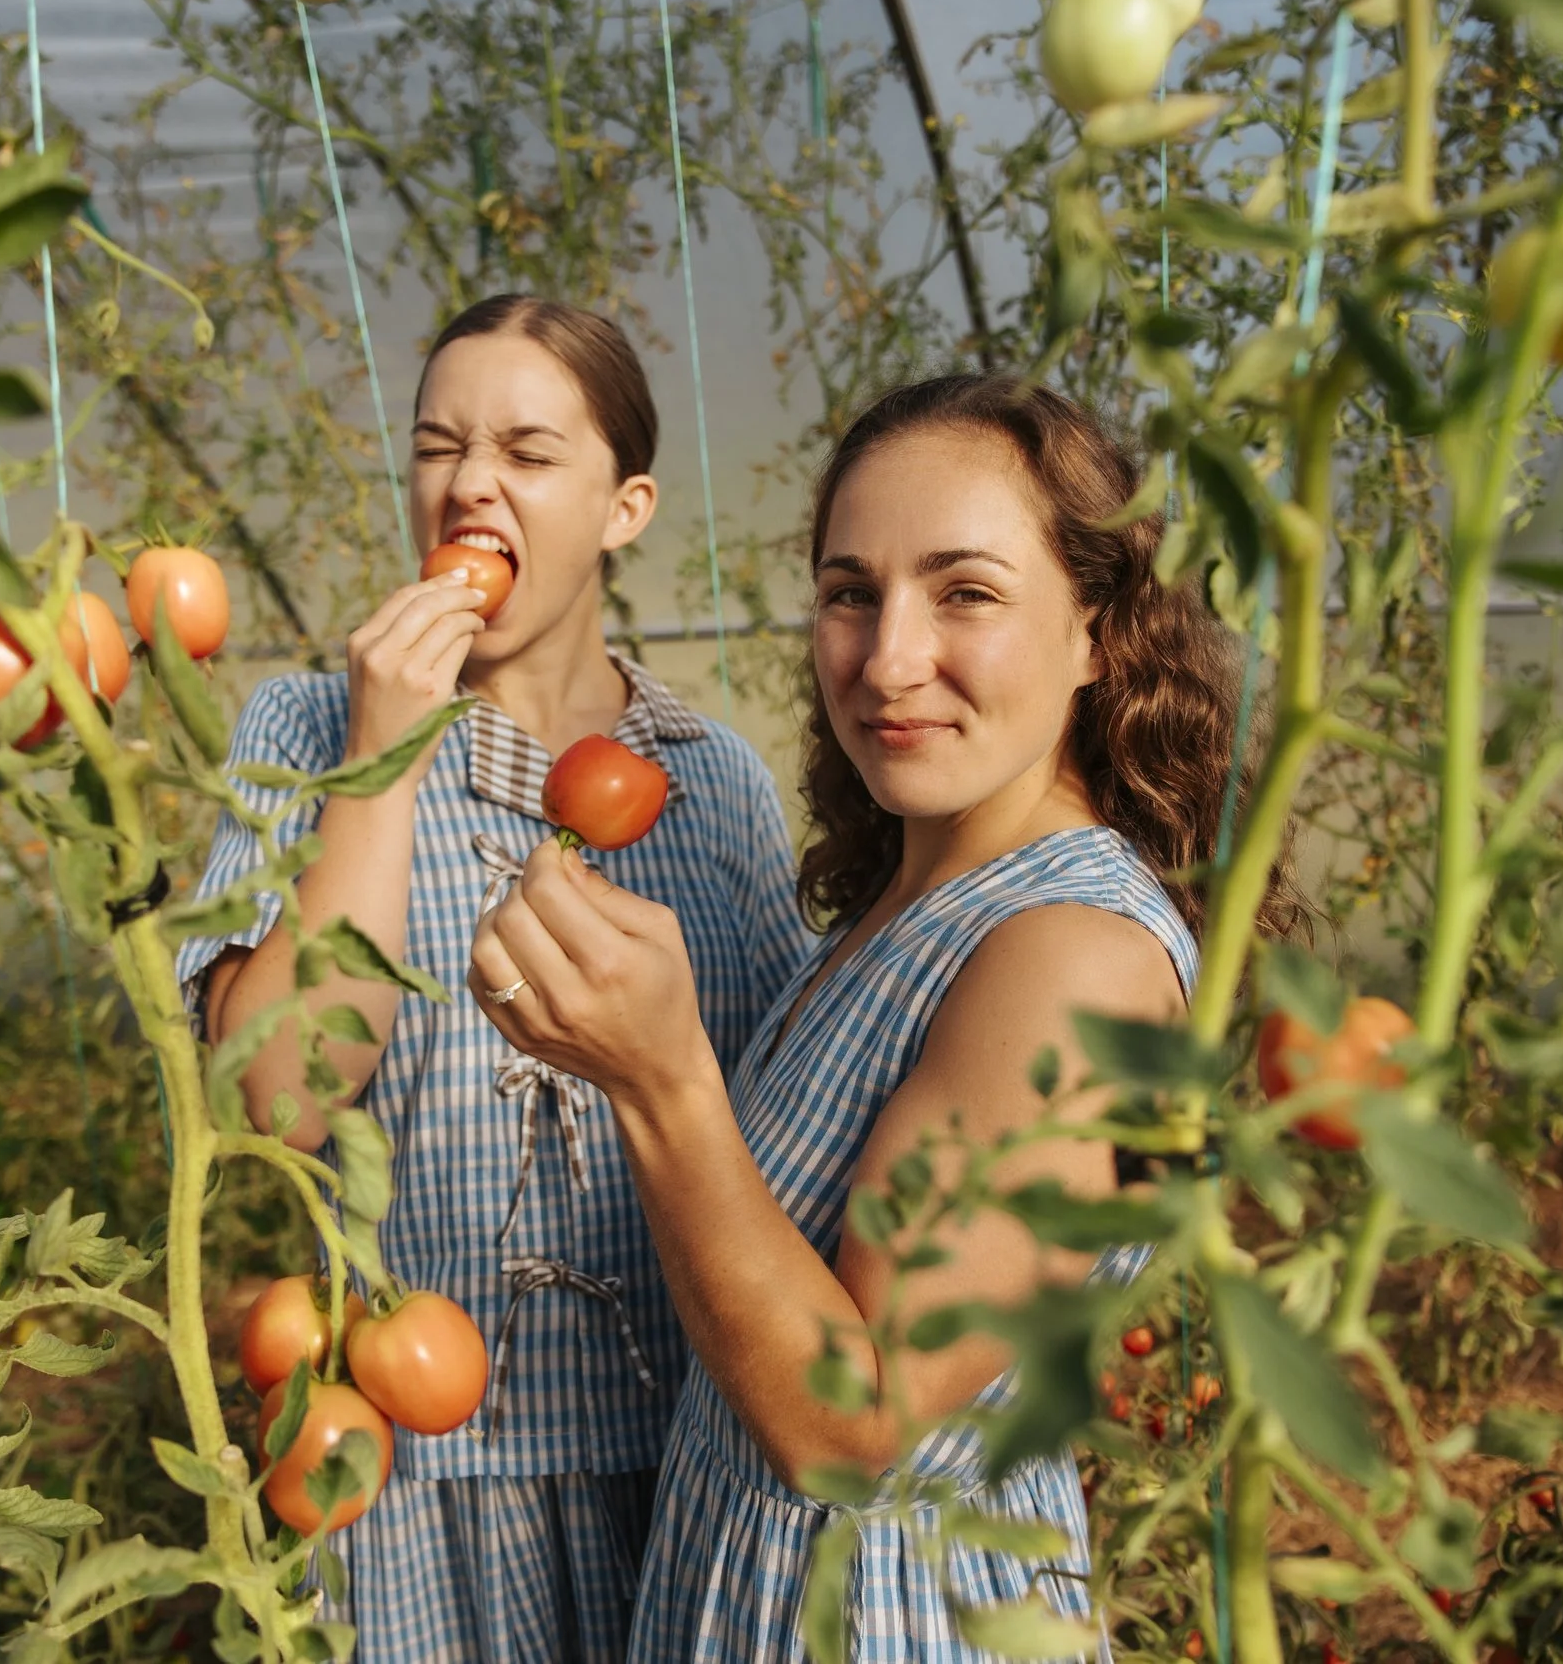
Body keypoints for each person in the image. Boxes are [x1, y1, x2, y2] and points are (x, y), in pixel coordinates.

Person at [466, 373, 1299, 1658]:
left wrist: (660, 1080)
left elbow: (855, 1425)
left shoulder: (1073, 951)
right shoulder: (906, 904)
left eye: (964, 591)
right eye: (852, 592)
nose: (889, 657)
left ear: (1096, 630)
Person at [175, 295, 810, 1661]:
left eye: (527, 452)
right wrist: (383, 757)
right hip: (413, 1484)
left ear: (624, 506)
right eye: (438, 447)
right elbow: (276, 1098)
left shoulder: (713, 783)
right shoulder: (311, 724)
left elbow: (773, 1144)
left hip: (687, 1471)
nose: (469, 482)